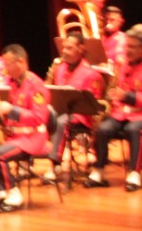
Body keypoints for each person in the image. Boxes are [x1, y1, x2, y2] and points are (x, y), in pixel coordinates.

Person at [0, 45, 49, 210]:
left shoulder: (36, 85)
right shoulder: (7, 83)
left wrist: (11, 110)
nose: (4, 69)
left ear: (20, 62)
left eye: (7, 64)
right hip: (11, 136)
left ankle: (13, 193)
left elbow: (40, 118)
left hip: (31, 138)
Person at [87, 27, 142, 191]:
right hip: (121, 113)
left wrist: (128, 97)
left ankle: (134, 173)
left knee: (134, 129)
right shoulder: (121, 66)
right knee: (102, 129)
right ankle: (98, 171)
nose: (128, 50)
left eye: (133, 47)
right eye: (127, 46)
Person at [44, 32, 106, 183]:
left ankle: (55, 164)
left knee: (62, 120)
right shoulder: (59, 68)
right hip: (60, 111)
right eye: (64, 47)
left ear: (81, 49)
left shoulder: (92, 74)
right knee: (44, 114)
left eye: (69, 48)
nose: (64, 51)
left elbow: (93, 104)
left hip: (81, 116)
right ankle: (32, 157)